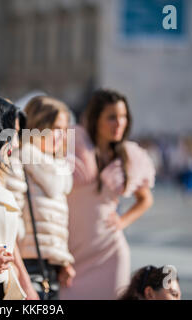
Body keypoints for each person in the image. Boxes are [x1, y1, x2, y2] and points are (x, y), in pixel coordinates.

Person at [61, 89, 155, 300]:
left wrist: (122, 222)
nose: (119, 123)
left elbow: (146, 199)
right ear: (96, 119)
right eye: (112, 117)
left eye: (123, 117)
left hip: (111, 251)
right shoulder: (73, 143)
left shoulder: (128, 156)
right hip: (72, 250)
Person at [7, 95, 76, 300]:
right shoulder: (18, 161)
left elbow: (50, 225)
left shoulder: (59, 169)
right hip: (24, 268)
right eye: (55, 128)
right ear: (37, 127)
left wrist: (61, 260)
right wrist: (22, 279)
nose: (61, 136)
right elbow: (10, 227)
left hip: (50, 270)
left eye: (64, 130)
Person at [0, 93, 39, 300]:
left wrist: (26, 285)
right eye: (11, 131)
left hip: (1, 283)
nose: (15, 141)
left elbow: (9, 243)